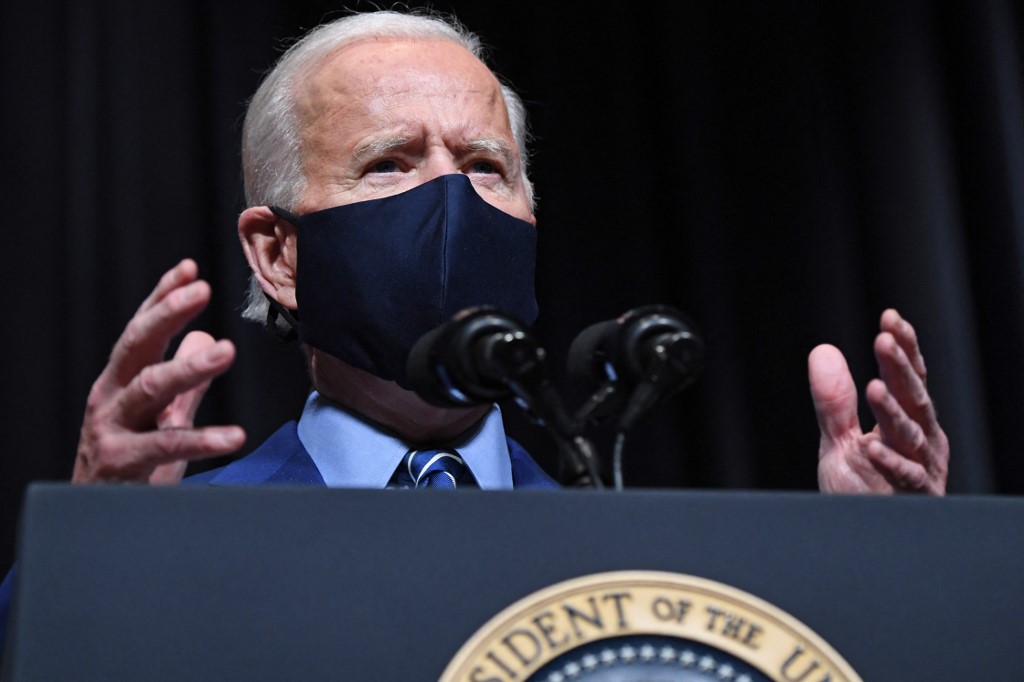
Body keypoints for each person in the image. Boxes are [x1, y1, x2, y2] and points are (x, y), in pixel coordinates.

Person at [0, 7, 950, 651]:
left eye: (487, 167)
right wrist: (89, 565)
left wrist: (876, 576)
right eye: (389, 164)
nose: (452, 201)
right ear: (277, 255)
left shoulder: (655, 562)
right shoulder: (176, 544)